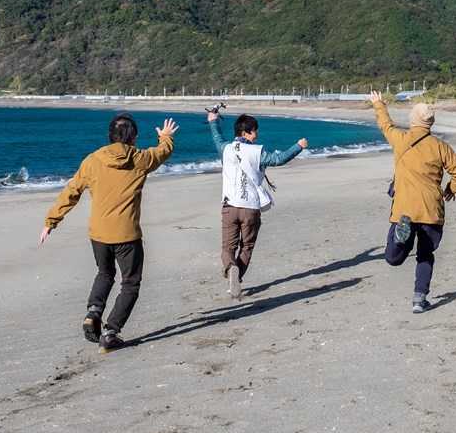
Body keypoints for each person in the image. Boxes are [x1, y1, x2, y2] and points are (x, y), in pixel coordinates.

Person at [38, 112, 178, 352]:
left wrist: (51, 221)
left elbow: (72, 191)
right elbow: (162, 152)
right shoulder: (140, 159)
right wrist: (165, 137)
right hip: (127, 235)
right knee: (130, 283)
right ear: (134, 137)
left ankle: (93, 311)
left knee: (105, 273)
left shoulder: (93, 160)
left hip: (99, 234)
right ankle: (111, 331)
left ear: (110, 135)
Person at [369, 91, 456, 313]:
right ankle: (419, 300)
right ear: (430, 122)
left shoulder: (401, 139)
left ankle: (399, 242)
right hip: (431, 211)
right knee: (425, 255)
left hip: (404, 209)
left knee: (393, 258)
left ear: (413, 120)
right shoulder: (441, 146)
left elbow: (385, 125)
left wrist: (379, 104)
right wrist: (451, 189)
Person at [209, 110, 308, 299]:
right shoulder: (257, 151)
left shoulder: (226, 148)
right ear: (245, 133)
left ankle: (231, 269)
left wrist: (213, 120)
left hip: (229, 207)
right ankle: (236, 277)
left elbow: (217, 137)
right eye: (254, 131)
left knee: (228, 247)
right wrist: (298, 146)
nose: (256, 134)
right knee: (247, 246)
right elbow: (278, 159)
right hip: (251, 207)